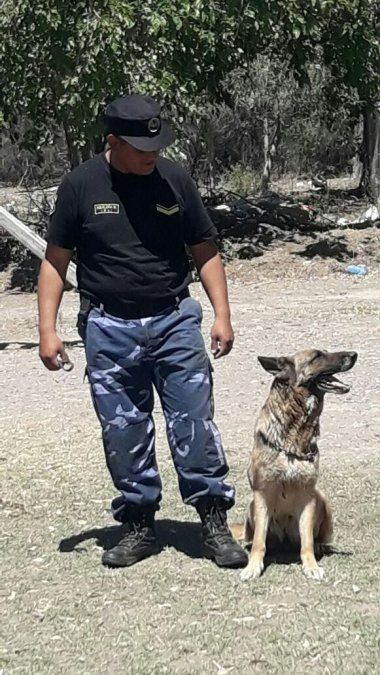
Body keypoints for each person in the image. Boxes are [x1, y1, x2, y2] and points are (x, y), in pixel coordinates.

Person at [38, 93, 247, 569]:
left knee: (195, 424)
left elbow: (204, 247)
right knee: (124, 431)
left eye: (156, 144)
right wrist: (46, 331)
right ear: (112, 141)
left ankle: (213, 521)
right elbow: (55, 261)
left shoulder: (174, 179)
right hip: (109, 327)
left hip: (174, 320)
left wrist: (222, 314)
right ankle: (139, 525)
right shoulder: (81, 185)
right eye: (139, 147)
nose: (151, 154)